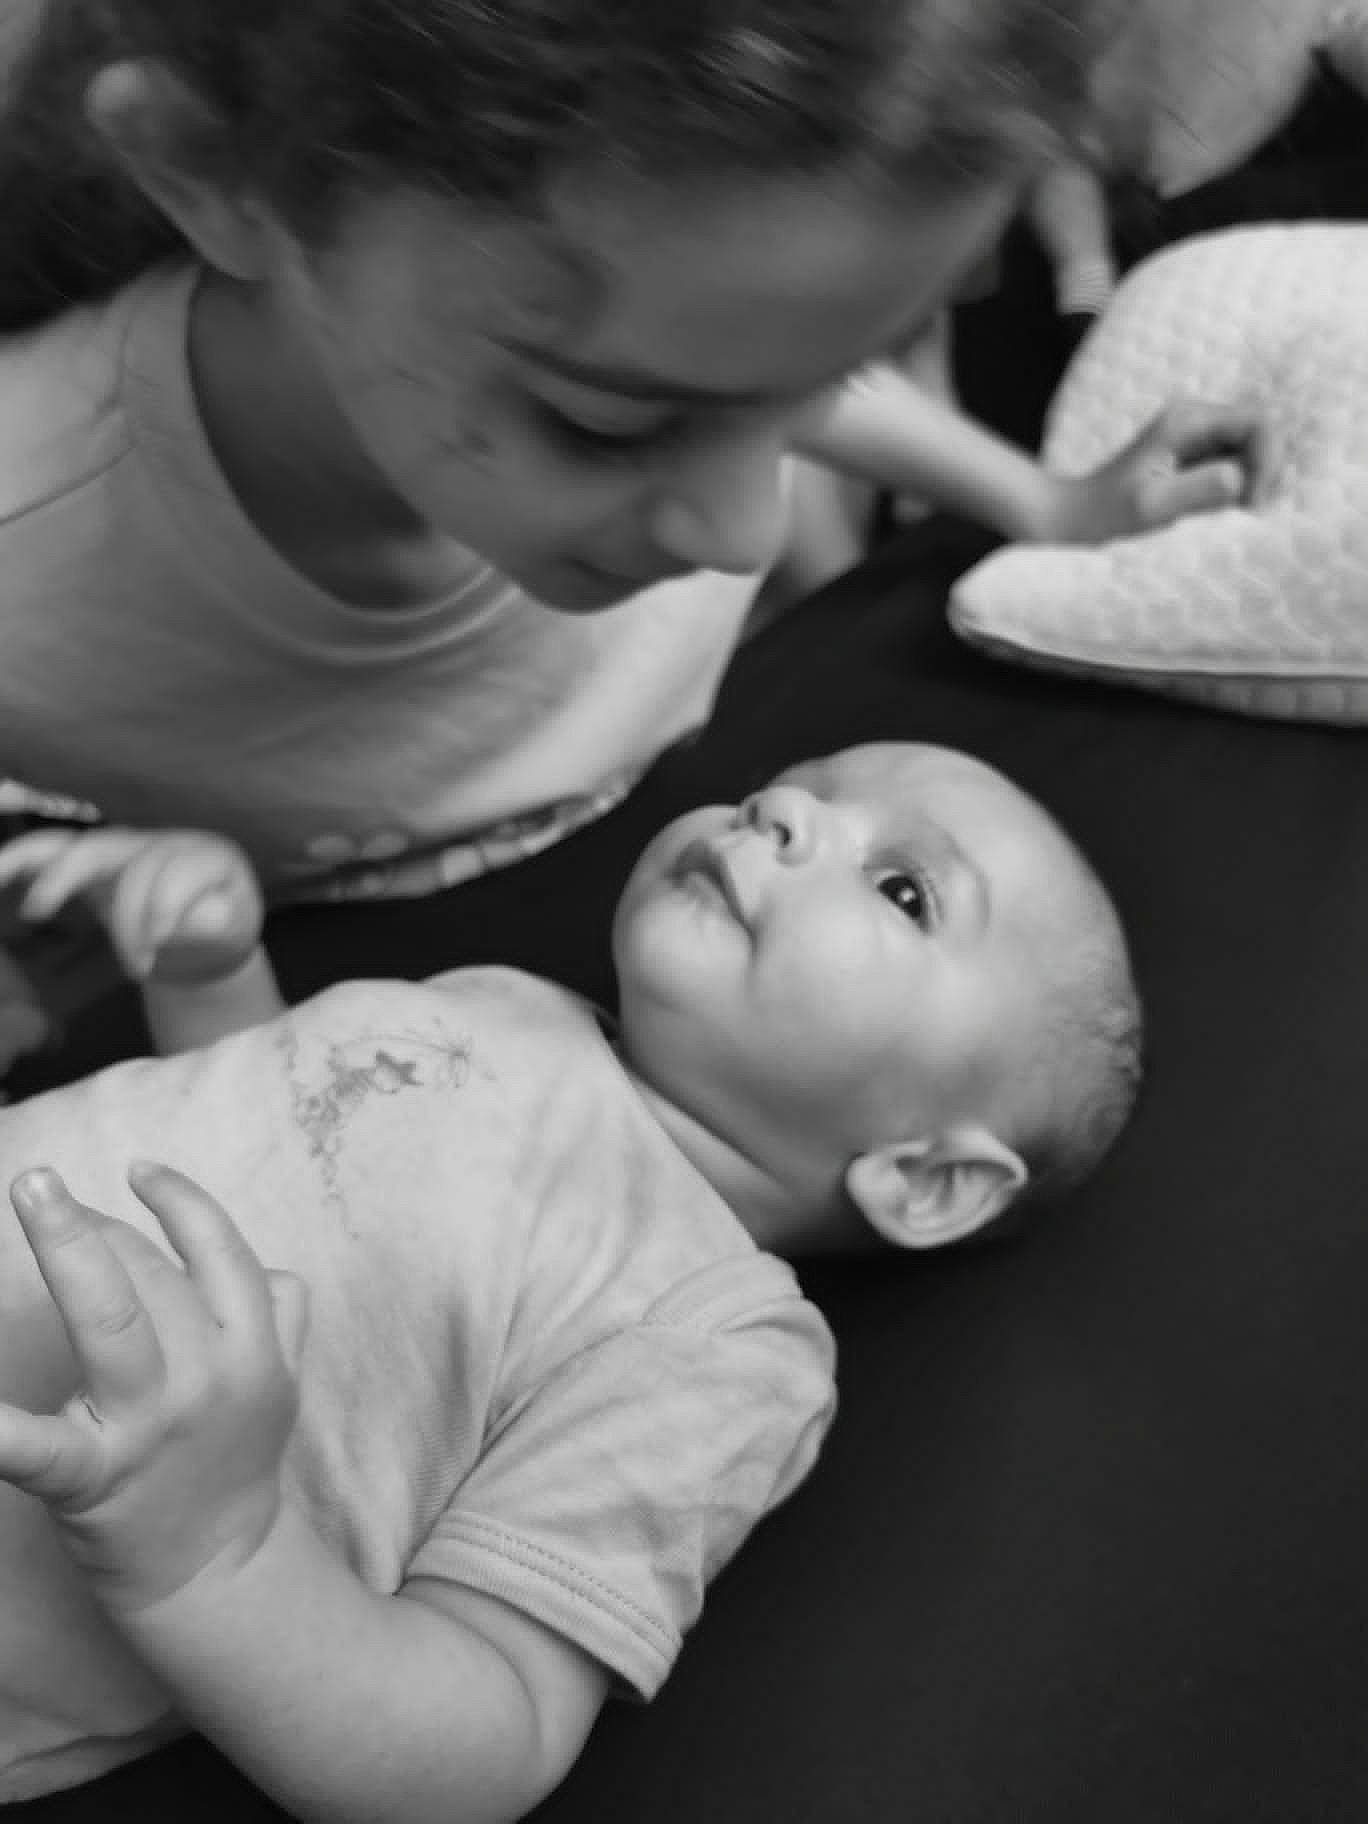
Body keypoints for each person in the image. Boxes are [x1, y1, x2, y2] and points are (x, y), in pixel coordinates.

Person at [0, 740, 1142, 1818]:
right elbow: (274, 1136)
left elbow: (492, 1726)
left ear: (930, 1180)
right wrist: (212, 973)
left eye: (904, 889)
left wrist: (212, 1548)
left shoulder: (713, 1336)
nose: (784, 811)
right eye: (791, 789)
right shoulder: (509, 1002)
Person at [0, 0, 1254, 915]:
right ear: (208, 173)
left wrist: (1039, 499)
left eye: (824, 372)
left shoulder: (688, 339)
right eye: (612, 423)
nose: (742, 535)